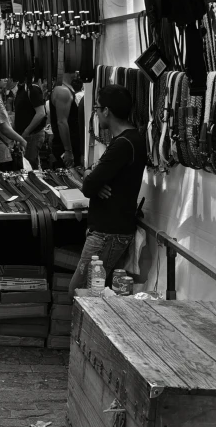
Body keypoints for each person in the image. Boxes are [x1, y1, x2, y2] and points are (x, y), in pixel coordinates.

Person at [69, 84, 146, 298]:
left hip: (108, 233)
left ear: (106, 111)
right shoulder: (128, 140)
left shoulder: (123, 144)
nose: (95, 112)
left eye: (97, 107)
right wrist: (93, 179)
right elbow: (94, 182)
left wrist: (89, 177)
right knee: (93, 293)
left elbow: (88, 185)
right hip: (110, 230)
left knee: (79, 292)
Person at [50, 72, 82, 169]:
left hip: (71, 144)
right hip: (65, 146)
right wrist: (68, 150)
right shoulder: (62, 91)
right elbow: (62, 122)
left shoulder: (65, 89)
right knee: (68, 178)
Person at [13, 77, 47, 169]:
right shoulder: (21, 90)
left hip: (33, 135)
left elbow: (41, 113)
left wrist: (26, 132)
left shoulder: (33, 89)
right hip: (26, 135)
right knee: (27, 166)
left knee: (31, 167)